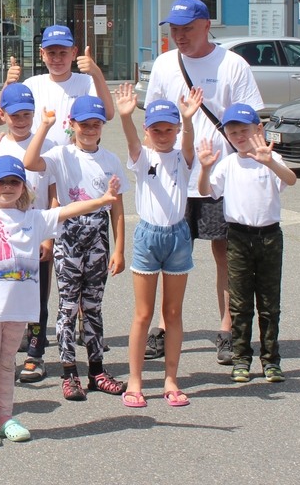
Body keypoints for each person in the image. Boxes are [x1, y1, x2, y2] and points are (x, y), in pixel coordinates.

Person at [0, 153, 121, 445]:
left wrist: (103, 200)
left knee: (7, 364)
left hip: (19, 309)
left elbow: (68, 210)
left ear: (24, 187)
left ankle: (6, 417)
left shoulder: (34, 218)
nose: (7, 187)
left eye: (14, 182)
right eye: (1, 182)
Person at [143, 0, 263, 365]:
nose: (180, 35)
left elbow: (251, 121)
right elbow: (150, 124)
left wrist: (257, 167)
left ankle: (227, 330)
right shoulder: (164, 64)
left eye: (187, 29)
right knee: (169, 254)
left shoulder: (233, 65)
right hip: (175, 177)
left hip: (220, 178)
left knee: (225, 253)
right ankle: (163, 326)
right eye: (174, 29)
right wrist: (149, 168)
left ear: (207, 26)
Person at [23, 95, 128, 401]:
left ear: (102, 126)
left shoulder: (111, 160)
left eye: (96, 124)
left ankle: (97, 370)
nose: (90, 130)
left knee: (93, 306)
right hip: (69, 232)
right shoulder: (61, 154)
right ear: (72, 124)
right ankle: (69, 372)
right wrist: (45, 126)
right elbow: (30, 162)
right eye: (84, 124)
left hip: (98, 235)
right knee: (68, 307)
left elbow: (117, 209)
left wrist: (119, 249)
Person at [115, 83, 202, 409]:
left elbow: (189, 143)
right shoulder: (143, 157)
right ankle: (135, 380)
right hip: (148, 238)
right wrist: (125, 117)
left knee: (173, 312)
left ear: (177, 129)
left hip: (178, 237)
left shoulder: (184, 158)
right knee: (143, 313)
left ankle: (171, 379)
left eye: (169, 129)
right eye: (156, 129)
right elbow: (131, 142)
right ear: (147, 130)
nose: (163, 135)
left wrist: (189, 119)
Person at [198, 103, 297, 384]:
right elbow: (207, 191)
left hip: (269, 237)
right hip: (238, 237)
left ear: (259, 130)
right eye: (233, 133)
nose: (239, 137)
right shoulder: (228, 163)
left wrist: (270, 162)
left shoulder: (270, 158)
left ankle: (271, 360)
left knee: (269, 304)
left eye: (245, 130)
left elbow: (291, 180)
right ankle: (241, 358)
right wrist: (205, 168)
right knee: (240, 303)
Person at [0, 83, 56, 383]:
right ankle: (7, 351)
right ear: (3, 114)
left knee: (37, 296)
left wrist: (48, 237)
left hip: (34, 232)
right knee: (4, 292)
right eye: (15, 115)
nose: (22, 120)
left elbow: (54, 194)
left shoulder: (48, 144)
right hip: (1, 234)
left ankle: (35, 354)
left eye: (27, 114)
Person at [4, 24, 115, 143]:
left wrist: (96, 73)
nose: (57, 59)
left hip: (73, 153)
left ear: (74, 53)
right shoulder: (31, 84)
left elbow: (108, 114)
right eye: (51, 53)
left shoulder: (87, 82)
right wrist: (8, 83)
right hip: (39, 153)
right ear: (42, 54)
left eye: (63, 53)